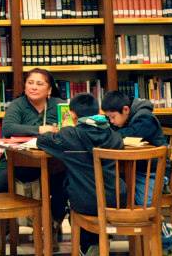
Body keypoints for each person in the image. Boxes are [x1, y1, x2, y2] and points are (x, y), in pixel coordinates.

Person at [36, 93, 124, 255]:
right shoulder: (114, 136)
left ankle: (87, 246)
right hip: (115, 200)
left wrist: (51, 131)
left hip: (85, 202)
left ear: (73, 115)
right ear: (99, 111)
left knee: (69, 188)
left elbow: (41, 141)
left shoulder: (70, 135)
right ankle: (97, 243)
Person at [0, 68, 67, 236]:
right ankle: (5, 224)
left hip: (51, 161)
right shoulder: (18, 105)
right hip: (16, 160)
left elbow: (69, 129)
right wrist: (40, 129)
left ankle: (53, 222)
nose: (34, 87)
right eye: (30, 83)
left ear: (49, 89)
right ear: (24, 86)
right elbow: (8, 128)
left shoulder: (60, 105)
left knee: (65, 185)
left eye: (40, 84)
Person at [101, 90, 172, 251]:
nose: (111, 122)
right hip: (130, 170)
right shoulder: (125, 117)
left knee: (146, 210)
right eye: (108, 118)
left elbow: (127, 134)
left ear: (126, 110)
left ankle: (166, 243)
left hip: (152, 171)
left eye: (112, 117)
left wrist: (106, 135)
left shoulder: (145, 118)